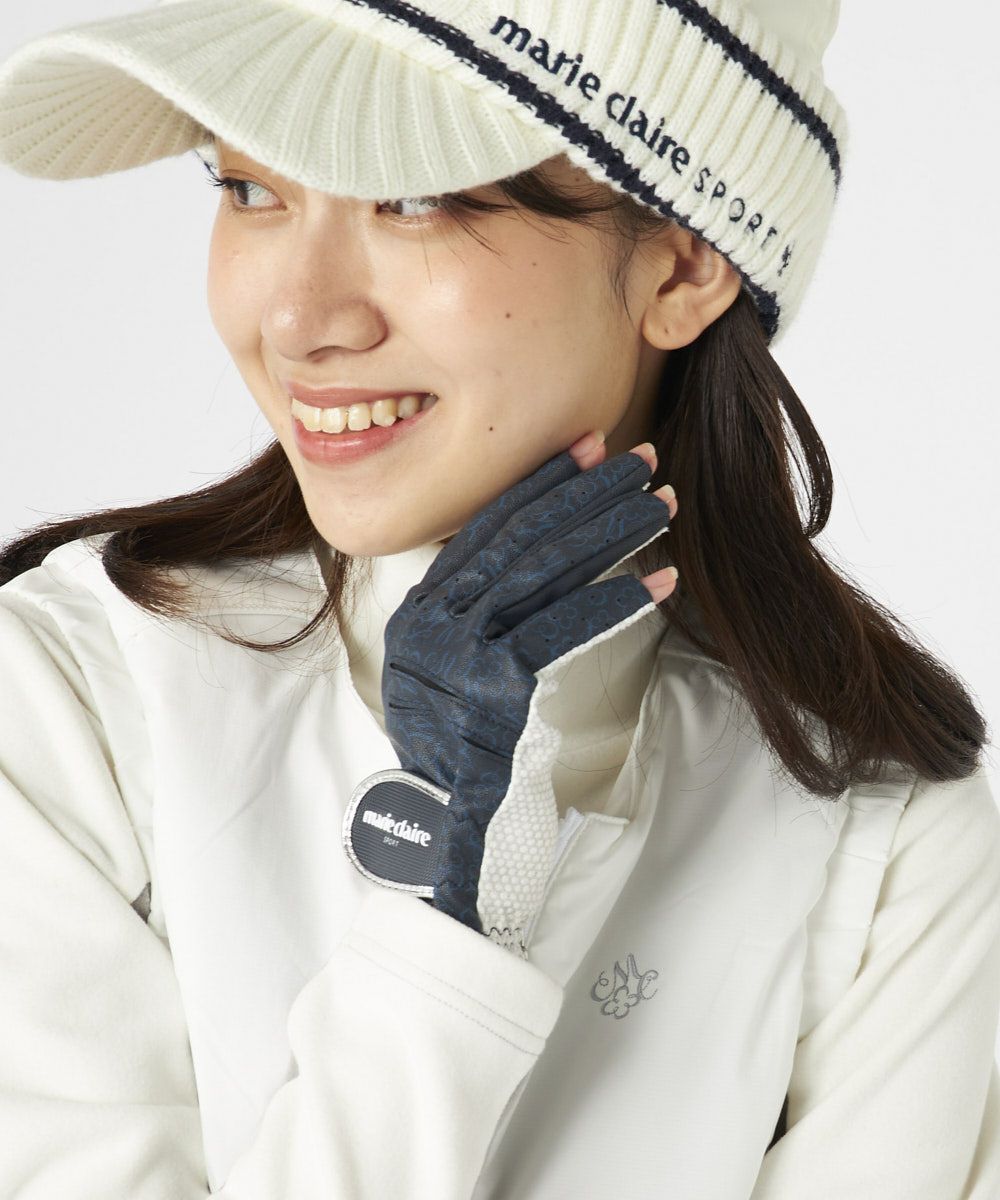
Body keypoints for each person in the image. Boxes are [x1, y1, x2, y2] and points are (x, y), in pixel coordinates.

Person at [0, 0, 997, 1197]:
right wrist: (447, 917)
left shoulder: (885, 842)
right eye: (248, 187)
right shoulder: (61, 706)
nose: (298, 320)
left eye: (413, 196)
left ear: (684, 262)